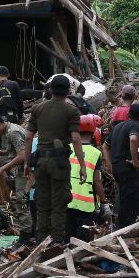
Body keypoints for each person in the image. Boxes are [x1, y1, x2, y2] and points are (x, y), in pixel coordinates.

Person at [24, 75, 86, 244]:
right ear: (68, 92)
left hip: (40, 161)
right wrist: (82, 165)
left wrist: (27, 163)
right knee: (59, 204)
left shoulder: (37, 108)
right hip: (59, 163)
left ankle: (41, 241)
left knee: (42, 203)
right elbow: (75, 139)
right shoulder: (72, 111)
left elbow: (29, 137)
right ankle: (57, 242)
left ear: (50, 90)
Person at [0, 112, 33, 247]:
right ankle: (30, 231)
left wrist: (2, 169)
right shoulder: (13, 128)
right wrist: (4, 152)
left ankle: (26, 235)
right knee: (25, 200)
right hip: (26, 172)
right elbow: (18, 150)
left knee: (22, 202)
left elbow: (22, 155)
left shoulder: (12, 132)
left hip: (24, 173)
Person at [65, 115, 108, 242]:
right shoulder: (96, 153)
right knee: (82, 240)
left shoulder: (68, 148)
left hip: (67, 199)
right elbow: (97, 180)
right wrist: (104, 202)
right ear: (93, 131)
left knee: (67, 236)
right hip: (86, 203)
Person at [103, 104, 139, 228]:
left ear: (128, 114)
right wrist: (135, 161)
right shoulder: (134, 125)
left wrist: (110, 165)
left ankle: (120, 225)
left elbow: (105, 146)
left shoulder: (118, 127)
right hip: (127, 167)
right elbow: (133, 139)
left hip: (117, 167)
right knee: (131, 199)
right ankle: (127, 229)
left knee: (123, 197)